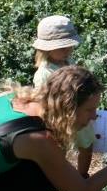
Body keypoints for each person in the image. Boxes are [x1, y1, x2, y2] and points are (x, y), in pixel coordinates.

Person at [30, 15, 95, 175]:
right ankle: (66, 182)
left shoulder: (67, 61)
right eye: (62, 48)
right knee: (60, 153)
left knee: (87, 147)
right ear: (46, 48)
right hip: (62, 120)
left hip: (79, 115)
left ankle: (82, 176)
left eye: (69, 46)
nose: (67, 51)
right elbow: (45, 104)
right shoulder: (44, 74)